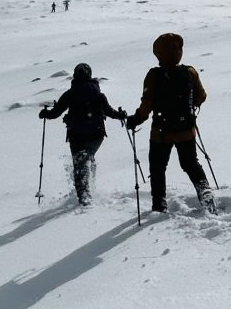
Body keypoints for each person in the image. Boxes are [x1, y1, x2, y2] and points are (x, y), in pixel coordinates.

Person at [125, 33, 212, 213]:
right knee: (191, 164)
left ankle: (159, 205)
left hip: (161, 133)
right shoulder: (190, 72)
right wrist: (190, 106)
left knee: (158, 168)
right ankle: (205, 194)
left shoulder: (154, 75)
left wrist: (135, 119)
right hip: (187, 130)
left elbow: (147, 104)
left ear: (159, 53)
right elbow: (202, 95)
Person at [38, 63, 126, 207]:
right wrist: (121, 115)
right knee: (87, 157)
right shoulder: (98, 94)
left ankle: (84, 198)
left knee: (79, 163)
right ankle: (90, 184)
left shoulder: (70, 94)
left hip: (76, 135)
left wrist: (44, 114)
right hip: (96, 135)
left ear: (75, 76)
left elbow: (55, 113)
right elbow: (110, 112)